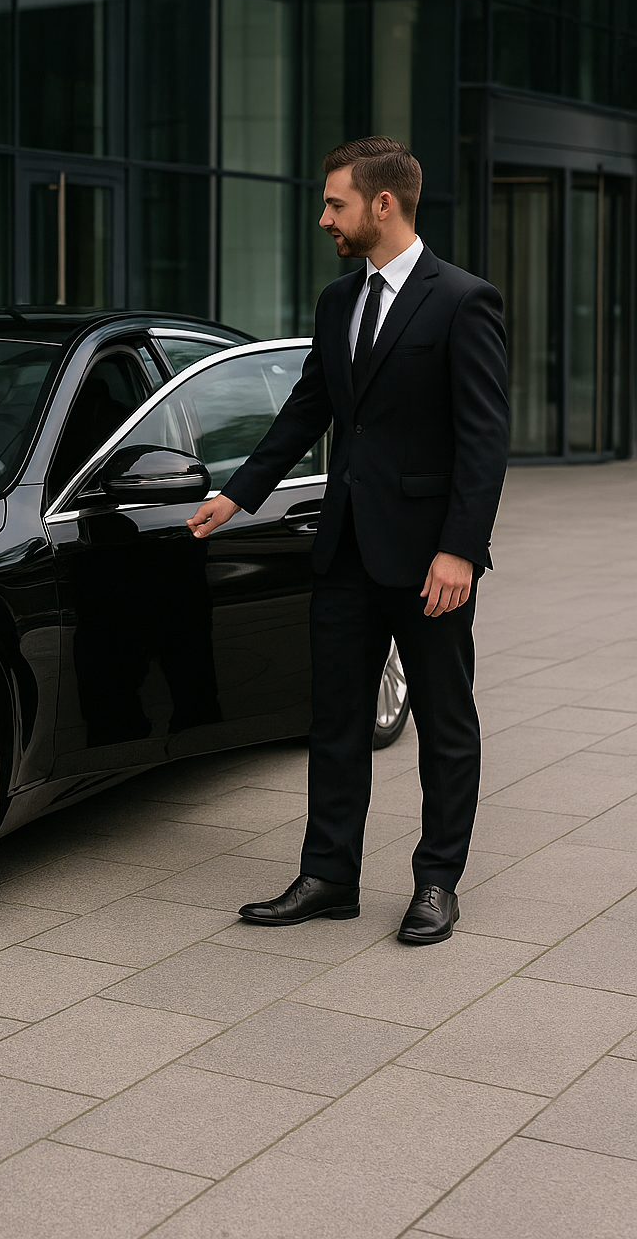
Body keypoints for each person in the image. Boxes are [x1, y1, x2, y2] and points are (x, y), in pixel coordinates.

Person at [187, 137, 510, 945]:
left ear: (383, 205)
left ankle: (437, 881)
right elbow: (309, 410)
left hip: (430, 557)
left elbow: (484, 439)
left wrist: (460, 550)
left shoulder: (464, 301)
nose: (323, 217)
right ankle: (330, 875)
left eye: (335, 203)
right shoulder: (338, 302)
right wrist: (237, 494)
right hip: (345, 552)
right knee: (334, 720)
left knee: (444, 721)